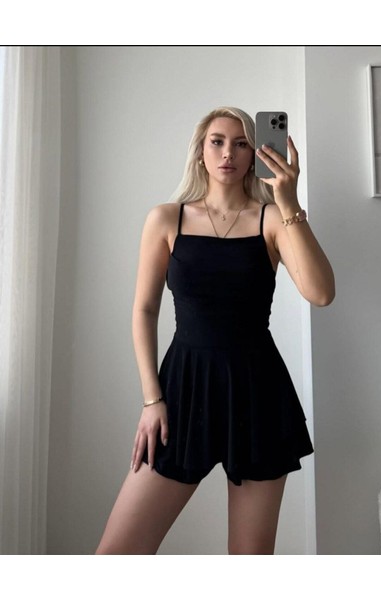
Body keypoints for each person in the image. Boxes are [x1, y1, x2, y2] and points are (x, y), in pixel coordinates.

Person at [95, 106, 335, 555]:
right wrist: (152, 399)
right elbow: (144, 310)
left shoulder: (271, 219)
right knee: (117, 555)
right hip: (182, 390)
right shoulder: (167, 218)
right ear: (200, 151)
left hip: (258, 392)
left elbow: (321, 293)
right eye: (218, 142)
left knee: (249, 561)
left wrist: (288, 201)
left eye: (242, 144)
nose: (228, 153)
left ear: (256, 153)